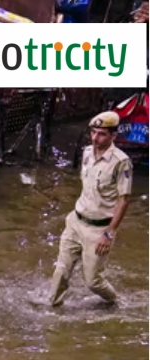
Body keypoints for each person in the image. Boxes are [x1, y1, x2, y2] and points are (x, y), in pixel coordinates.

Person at [48, 111, 133, 307]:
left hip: (99, 230)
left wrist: (109, 233)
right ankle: (52, 307)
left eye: (101, 134)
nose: (95, 138)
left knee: (93, 282)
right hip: (76, 221)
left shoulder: (121, 162)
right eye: (93, 132)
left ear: (113, 136)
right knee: (61, 270)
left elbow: (124, 200)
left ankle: (116, 303)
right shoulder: (86, 152)